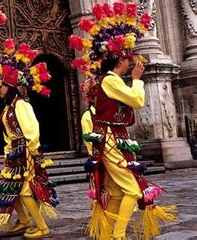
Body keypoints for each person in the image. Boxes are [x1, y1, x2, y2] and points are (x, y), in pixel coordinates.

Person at [71, 2, 177, 239]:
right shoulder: (110, 81)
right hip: (110, 140)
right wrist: (138, 80)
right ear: (119, 61)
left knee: (118, 191)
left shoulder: (111, 81)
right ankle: (118, 235)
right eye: (128, 58)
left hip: (115, 138)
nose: (131, 62)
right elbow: (137, 101)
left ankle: (109, 233)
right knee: (131, 189)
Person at [0, 39, 58, 239]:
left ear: (9, 87)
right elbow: (8, 136)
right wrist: (8, 154)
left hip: (26, 154)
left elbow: (32, 130)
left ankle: (42, 226)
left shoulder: (21, 106)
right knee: (11, 189)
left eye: (0, 86)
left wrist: (30, 153)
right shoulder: (8, 109)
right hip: (14, 154)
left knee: (25, 191)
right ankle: (23, 221)